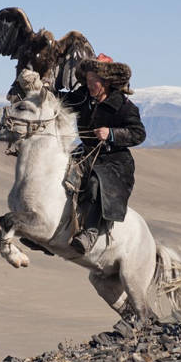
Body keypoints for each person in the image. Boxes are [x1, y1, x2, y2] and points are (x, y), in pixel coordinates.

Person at [61, 53, 146, 254]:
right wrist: (39, 88)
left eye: (93, 81)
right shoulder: (83, 99)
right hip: (86, 154)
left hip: (115, 162)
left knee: (94, 184)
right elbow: (61, 98)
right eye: (87, 80)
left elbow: (139, 133)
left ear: (105, 82)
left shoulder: (125, 107)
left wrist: (112, 134)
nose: (89, 85)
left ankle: (90, 232)